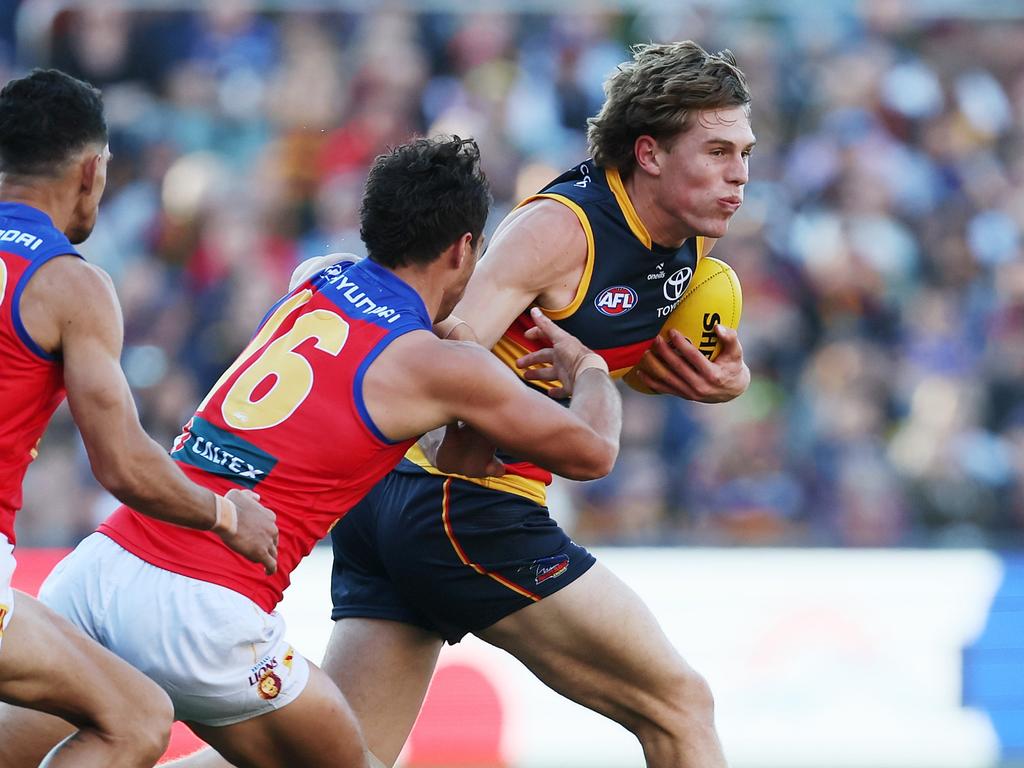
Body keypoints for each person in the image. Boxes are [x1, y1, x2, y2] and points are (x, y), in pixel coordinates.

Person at [0, 135, 621, 768]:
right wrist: (591, 366)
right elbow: (593, 452)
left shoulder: (315, 278)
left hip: (102, 567)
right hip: (207, 607)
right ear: (464, 249)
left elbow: (446, 449)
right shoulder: (442, 365)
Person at [315, 40, 754, 768]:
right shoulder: (561, 227)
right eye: (715, 152)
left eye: (744, 153)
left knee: (329, 761)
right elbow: (447, 350)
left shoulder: (686, 248)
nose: (739, 175)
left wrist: (715, 380)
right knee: (680, 705)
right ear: (648, 153)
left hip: (402, 508)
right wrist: (517, 421)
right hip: (462, 505)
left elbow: (603, 351)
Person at [0, 69, 278, 768]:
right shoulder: (69, 283)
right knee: (136, 717)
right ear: (91, 173)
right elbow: (122, 463)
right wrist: (224, 516)